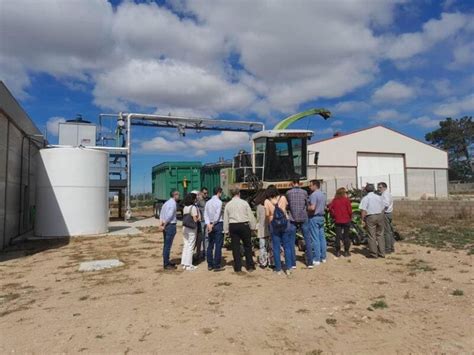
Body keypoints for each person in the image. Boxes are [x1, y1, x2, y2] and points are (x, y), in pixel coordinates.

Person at [223, 188, 257, 273]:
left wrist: (226, 230)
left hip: (233, 225)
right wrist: (253, 227)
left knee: (235, 247)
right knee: (248, 246)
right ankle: (250, 266)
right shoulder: (244, 203)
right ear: (239, 193)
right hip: (244, 225)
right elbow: (250, 215)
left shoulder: (228, 204)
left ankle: (238, 267)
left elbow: (226, 218)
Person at [265, 186, 292, 275]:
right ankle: (288, 268)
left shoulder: (267, 201)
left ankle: (278, 269)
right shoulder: (283, 198)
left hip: (274, 225)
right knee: (287, 246)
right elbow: (286, 208)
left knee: (276, 247)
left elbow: (267, 215)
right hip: (285, 224)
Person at [286, 178, 312, 268]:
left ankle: (293, 263)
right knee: (307, 239)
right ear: (299, 183)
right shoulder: (304, 192)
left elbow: (287, 205)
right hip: (303, 217)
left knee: (291, 241)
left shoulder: (288, 193)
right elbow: (308, 205)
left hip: (292, 218)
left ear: (293, 183)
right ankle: (310, 263)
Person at [360, 183, 385, 258]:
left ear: (366, 190)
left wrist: (362, 219)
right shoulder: (379, 197)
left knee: (371, 235)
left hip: (371, 216)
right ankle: (382, 252)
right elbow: (383, 207)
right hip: (380, 215)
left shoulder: (366, 198)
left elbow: (363, 210)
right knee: (380, 234)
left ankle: (374, 254)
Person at [204, 187, 224, 271]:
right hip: (217, 224)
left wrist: (208, 223)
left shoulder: (208, 202)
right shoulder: (219, 202)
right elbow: (217, 214)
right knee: (218, 245)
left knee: (210, 244)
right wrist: (213, 223)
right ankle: (217, 265)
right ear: (219, 192)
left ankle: (210, 264)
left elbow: (205, 213)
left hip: (209, 225)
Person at [328, 187, 353, 257]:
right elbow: (350, 210)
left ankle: (338, 251)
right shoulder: (346, 200)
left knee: (338, 236)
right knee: (346, 236)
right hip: (346, 219)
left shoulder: (335, 200)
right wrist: (350, 217)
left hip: (338, 220)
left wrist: (333, 215)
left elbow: (330, 208)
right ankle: (346, 251)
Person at [308, 180, 327, 265]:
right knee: (322, 237)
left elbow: (312, 207)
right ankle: (323, 257)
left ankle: (316, 258)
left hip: (314, 217)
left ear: (315, 185)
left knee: (315, 238)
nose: (310, 187)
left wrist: (306, 207)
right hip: (321, 217)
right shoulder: (323, 194)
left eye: (311, 185)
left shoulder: (313, 195)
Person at [159, 190, 180, 270]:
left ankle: (166, 260)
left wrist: (161, 223)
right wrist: (164, 224)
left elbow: (161, 214)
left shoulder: (166, 203)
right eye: (178, 195)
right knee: (168, 245)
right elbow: (169, 216)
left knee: (166, 244)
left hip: (166, 225)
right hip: (170, 225)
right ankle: (166, 264)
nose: (179, 196)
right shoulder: (173, 204)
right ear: (175, 195)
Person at [181, 193, 200, 271]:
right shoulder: (193, 207)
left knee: (186, 245)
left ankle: (184, 263)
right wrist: (198, 219)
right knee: (191, 246)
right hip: (191, 228)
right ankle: (189, 264)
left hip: (185, 228)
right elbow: (195, 219)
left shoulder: (185, 207)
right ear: (193, 199)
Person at [378, 182, 395, 254]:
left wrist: (382, 211)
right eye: (378, 187)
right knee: (389, 231)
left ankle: (388, 248)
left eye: (380, 187)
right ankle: (391, 247)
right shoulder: (388, 193)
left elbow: (386, 204)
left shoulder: (385, 194)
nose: (379, 189)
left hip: (386, 214)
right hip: (389, 213)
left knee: (386, 232)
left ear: (384, 187)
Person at [194, 187, 209, 261]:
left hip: (206, 222)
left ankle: (205, 255)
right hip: (201, 222)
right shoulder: (199, 201)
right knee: (199, 239)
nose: (206, 194)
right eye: (204, 193)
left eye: (207, 193)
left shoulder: (207, 200)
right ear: (201, 193)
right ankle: (198, 254)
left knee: (206, 238)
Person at [256, 201, 270, 268]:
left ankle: (263, 262)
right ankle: (271, 262)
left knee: (262, 247)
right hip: (270, 228)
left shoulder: (259, 207)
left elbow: (258, 218)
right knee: (270, 246)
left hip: (261, 228)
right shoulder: (270, 203)